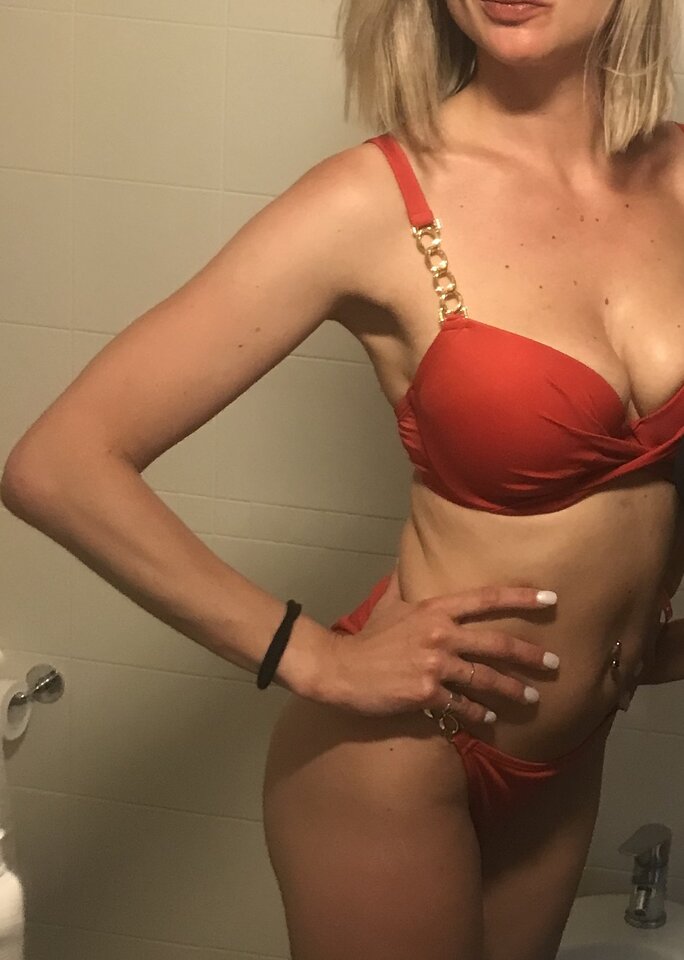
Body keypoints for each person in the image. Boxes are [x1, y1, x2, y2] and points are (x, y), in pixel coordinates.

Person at [0, 1, 682, 959]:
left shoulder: (677, 175)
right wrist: (311, 655)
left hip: (570, 750)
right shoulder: (370, 202)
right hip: (406, 758)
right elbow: (61, 463)